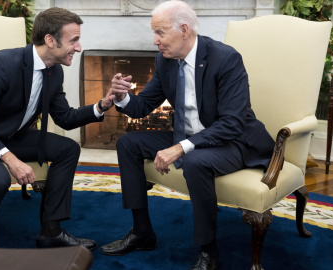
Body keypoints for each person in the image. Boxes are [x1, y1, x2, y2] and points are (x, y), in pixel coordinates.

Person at [100, 1, 275, 269]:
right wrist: (122, 98)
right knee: (127, 143)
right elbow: (143, 106)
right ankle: (142, 232)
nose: (155, 41)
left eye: (159, 33)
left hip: (234, 142)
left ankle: (209, 251)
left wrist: (181, 147)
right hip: (191, 135)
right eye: (154, 33)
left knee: (194, 161)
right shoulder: (165, 60)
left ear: (184, 29)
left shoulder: (225, 58)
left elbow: (232, 123)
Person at [0, 7, 114, 249]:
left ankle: (51, 232)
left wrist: (102, 105)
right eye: (74, 40)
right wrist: (10, 158)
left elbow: (64, 117)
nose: (78, 47)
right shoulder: (3, 63)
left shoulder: (54, 71)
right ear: (50, 40)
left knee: (68, 149)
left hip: (12, 135)